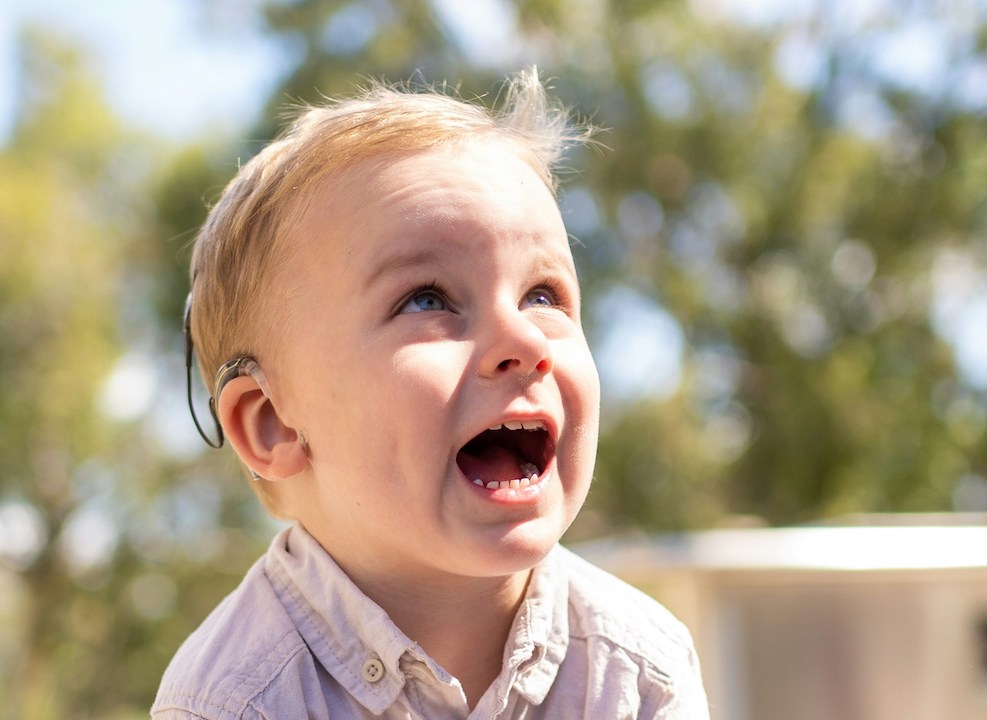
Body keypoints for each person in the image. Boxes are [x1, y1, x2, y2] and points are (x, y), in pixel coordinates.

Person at [153, 68, 709, 719]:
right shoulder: (235, 702)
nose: (523, 341)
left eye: (542, 295)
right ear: (274, 422)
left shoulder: (637, 673)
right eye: (426, 298)